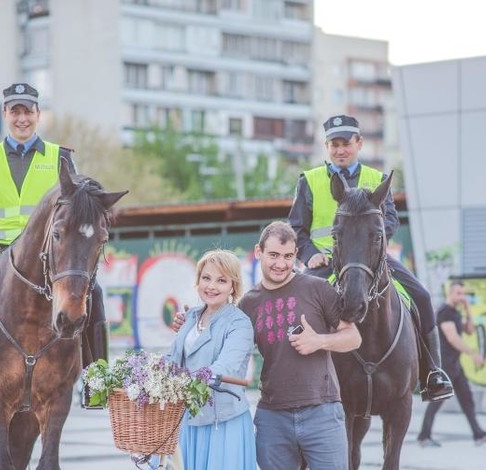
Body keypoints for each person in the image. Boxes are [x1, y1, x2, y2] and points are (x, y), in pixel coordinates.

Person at [0, 83, 108, 405]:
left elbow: (79, 210)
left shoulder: (62, 158)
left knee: (92, 292)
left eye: (28, 111)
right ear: (5, 115)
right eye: (15, 111)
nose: (22, 118)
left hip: (48, 256)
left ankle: (96, 377)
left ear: (38, 114)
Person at [288, 114, 454, 402]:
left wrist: (372, 243)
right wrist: (310, 253)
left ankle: (432, 373)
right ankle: (290, 375)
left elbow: (390, 221)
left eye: (346, 143)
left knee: (422, 296)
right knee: (297, 304)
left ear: (359, 143)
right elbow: (297, 228)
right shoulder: (310, 181)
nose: (340, 150)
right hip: (326, 262)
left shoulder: (377, 179)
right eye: (334, 144)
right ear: (327, 146)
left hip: (371, 261)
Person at [238, 221, 362, 470]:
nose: (281, 264)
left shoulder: (317, 288)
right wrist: (190, 323)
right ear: (258, 251)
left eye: (287, 256)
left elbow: (354, 337)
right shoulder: (247, 305)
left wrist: (319, 341)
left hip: (322, 413)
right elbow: (223, 344)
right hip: (273, 418)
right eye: (273, 255)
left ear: (296, 255)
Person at [165, 249, 256, 469]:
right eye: (206, 278)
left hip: (222, 421)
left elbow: (228, 364)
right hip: (187, 418)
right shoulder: (190, 316)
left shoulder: (239, 323)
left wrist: (195, 380)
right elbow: (174, 358)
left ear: (233, 286)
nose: (212, 286)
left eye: (221, 280)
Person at [417, 281, 486, 447]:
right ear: (450, 293)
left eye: (463, 294)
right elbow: (452, 338)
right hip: (445, 363)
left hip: (454, 364)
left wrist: (468, 309)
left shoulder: (456, 312)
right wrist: (473, 353)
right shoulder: (445, 312)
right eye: (459, 293)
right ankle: (424, 436)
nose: (462, 297)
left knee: (466, 398)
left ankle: (478, 434)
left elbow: (470, 330)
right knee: (437, 399)